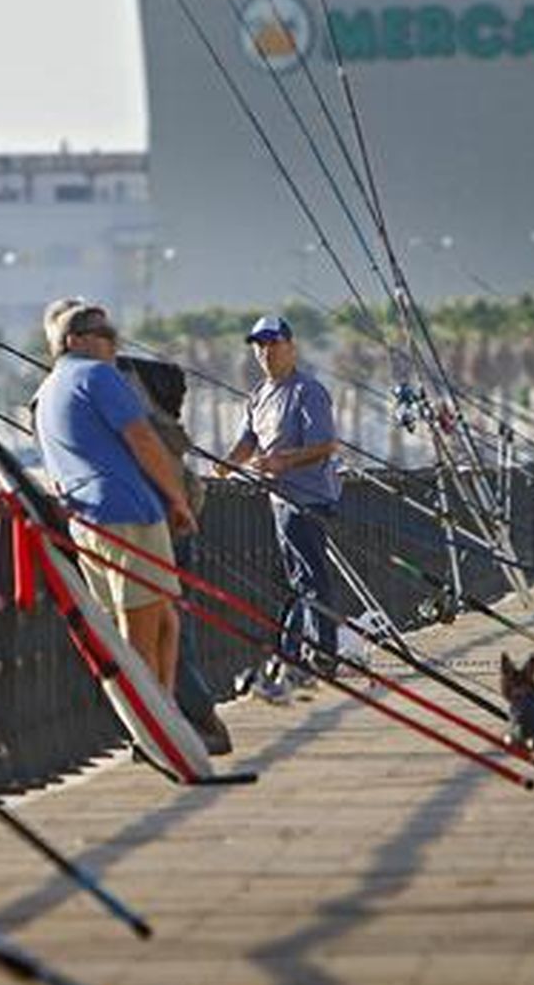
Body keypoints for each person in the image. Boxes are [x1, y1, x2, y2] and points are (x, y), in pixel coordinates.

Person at [34, 299, 198, 699]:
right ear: (72, 340)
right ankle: (153, 721)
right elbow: (142, 439)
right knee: (141, 629)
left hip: (87, 520)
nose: (113, 344)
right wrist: (178, 499)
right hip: (128, 513)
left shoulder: (47, 391)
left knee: (161, 621)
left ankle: (161, 709)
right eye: (103, 335)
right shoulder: (98, 376)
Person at [112, 350, 233, 755]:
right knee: (173, 624)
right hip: (166, 520)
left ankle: (183, 720)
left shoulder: (111, 388)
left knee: (163, 627)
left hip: (156, 525)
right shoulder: (138, 395)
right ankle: (187, 720)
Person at [218, 315, 341, 703]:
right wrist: (223, 467)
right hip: (278, 499)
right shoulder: (258, 395)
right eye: (259, 344)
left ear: (290, 346)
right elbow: (247, 441)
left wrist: (281, 463)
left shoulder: (309, 391)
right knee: (298, 579)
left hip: (307, 499)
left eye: (272, 343)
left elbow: (324, 446)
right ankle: (295, 653)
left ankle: (320, 654)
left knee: (310, 577)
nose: (265, 351)